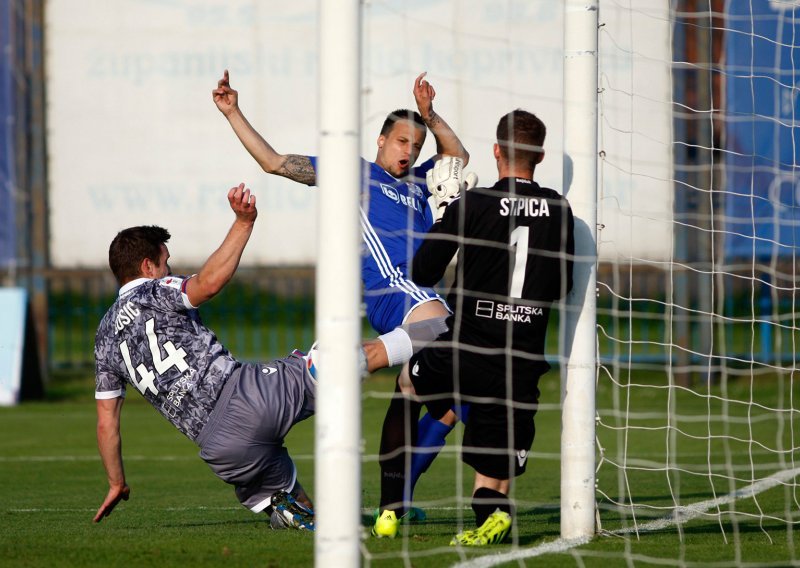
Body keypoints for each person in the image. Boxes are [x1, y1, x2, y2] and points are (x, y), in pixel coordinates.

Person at [212, 70, 474, 515]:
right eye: (401, 142)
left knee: (423, 392)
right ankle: (349, 359)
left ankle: (395, 505)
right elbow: (274, 162)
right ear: (380, 140)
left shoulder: (419, 183)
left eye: (415, 145)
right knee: (457, 340)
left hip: (419, 295)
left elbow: (457, 155)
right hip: (397, 288)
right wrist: (233, 111)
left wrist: (431, 115)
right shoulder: (354, 172)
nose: (408, 152)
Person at [93, 184, 388, 531]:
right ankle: (428, 337)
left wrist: (116, 482)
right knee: (333, 358)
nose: (169, 268)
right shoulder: (154, 290)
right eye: (165, 262)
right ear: (147, 265)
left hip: (219, 450)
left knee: (302, 510)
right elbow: (209, 282)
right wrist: (243, 223)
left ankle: (295, 510)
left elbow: (107, 423)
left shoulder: (103, 338)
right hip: (245, 398)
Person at [372, 109, 575, 545]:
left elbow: (424, 271)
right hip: (521, 363)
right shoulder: (560, 208)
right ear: (539, 156)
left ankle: (389, 508)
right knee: (492, 477)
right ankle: (493, 514)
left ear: (497, 151)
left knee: (408, 383)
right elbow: (561, 286)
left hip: (466, 350)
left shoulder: (474, 202)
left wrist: (446, 213)